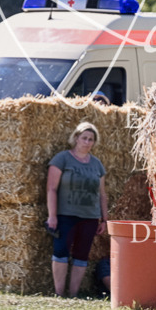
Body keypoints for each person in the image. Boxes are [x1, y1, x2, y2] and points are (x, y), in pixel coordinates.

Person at [47, 122, 109, 296]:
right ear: (76, 138)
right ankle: (59, 293)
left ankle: (73, 294)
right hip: (65, 214)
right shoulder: (62, 159)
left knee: (82, 255)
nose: (87, 142)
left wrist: (104, 219)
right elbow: (51, 189)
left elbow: (102, 194)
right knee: (61, 252)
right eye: (84, 138)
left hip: (89, 216)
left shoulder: (97, 165)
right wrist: (52, 216)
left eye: (91, 139)